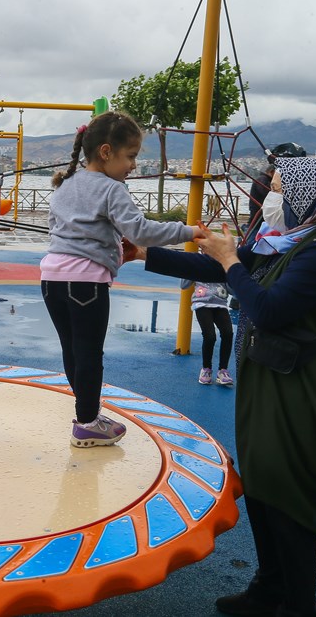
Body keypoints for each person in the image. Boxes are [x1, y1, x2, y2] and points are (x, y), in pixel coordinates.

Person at [124, 153, 316, 617]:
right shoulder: (286, 242)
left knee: (290, 489)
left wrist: (231, 258)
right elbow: (222, 270)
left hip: (301, 385)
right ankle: (268, 588)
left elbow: (267, 308)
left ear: (301, 194)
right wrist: (144, 254)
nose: (268, 196)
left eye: (276, 188)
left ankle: (300, 605)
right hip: (270, 377)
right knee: (261, 481)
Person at [41, 111, 204, 448]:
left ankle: (86, 414)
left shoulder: (65, 184)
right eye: (130, 156)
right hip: (86, 283)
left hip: (50, 278)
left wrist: (109, 244)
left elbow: (62, 230)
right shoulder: (111, 189)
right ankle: (86, 423)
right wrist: (190, 231)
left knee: (72, 352)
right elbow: (141, 230)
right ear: (105, 152)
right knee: (89, 354)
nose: (132, 166)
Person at [180, 278, 234, 386]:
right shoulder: (198, 263)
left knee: (228, 333)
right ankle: (206, 369)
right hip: (202, 302)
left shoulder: (222, 264)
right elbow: (184, 285)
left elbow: (232, 290)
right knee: (210, 336)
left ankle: (223, 370)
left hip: (220, 303)